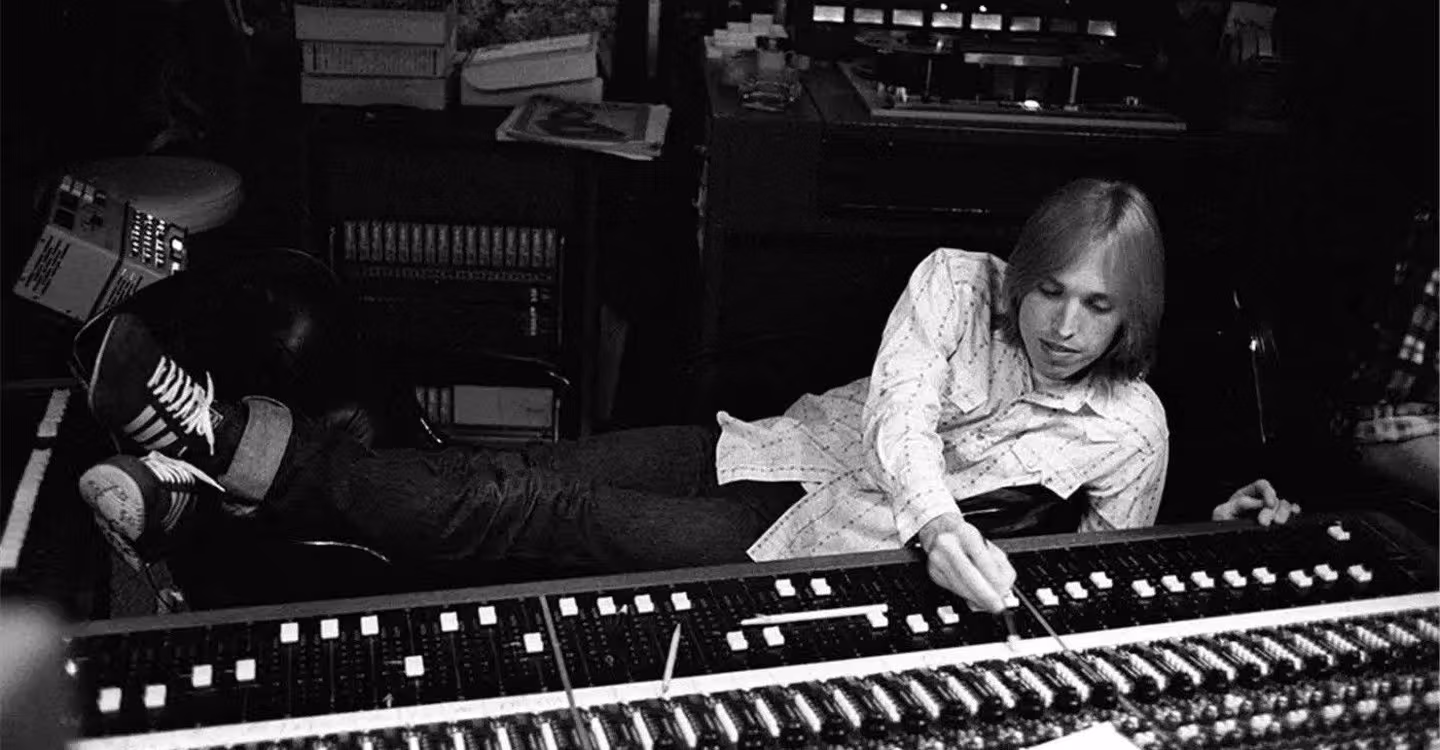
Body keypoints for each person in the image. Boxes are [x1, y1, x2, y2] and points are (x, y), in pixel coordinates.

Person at [76, 178, 1298, 613]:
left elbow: (1101, 582)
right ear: (1024, 273)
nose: (1065, 327)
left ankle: (217, 442)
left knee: (530, 511)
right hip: (776, 452)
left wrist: (1215, 538)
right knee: (529, 475)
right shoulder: (955, 282)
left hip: (815, 552)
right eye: (1053, 293)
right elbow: (898, 415)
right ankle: (208, 499)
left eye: (1098, 308)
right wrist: (942, 521)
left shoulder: (1132, 431)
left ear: (1131, 316)